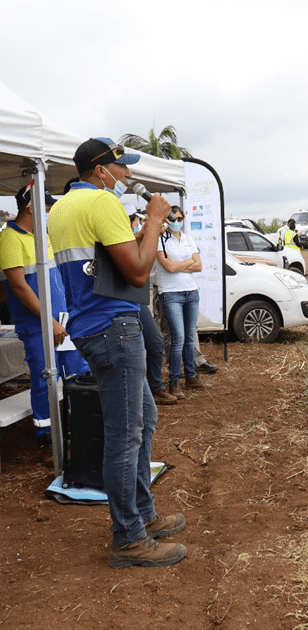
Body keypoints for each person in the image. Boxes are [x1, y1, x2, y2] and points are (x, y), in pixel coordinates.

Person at [48, 137, 186, 569]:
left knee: (143, 419)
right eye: (121, 168)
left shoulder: (61, 208)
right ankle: (128, 538)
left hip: (91, 326)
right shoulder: (102, 203)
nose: (126, 175)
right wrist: (153, 222)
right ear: (100, 170)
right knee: (125, 437)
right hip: (115, 326)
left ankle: (143, 516)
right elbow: (139, 270)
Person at [0, 185, 90, 446]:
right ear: (31, 207)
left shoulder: (43, 236)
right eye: (47, 209)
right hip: (38, 325)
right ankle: (46, 436)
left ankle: (81, 428)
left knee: (76, 373)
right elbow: (18, 286)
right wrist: (48, 321)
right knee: (45, 378)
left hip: (62, 321)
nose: (50, 213)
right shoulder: (10, 238)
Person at [155, 206, 208, 399]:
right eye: (172, 218)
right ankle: (174, 381)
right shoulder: (160, 239)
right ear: (166, 220)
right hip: (170, 293)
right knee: (177, 338)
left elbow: (199, 265)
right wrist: (187, 262)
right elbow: (167, 267)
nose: (176, 221)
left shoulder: (188, 238)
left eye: (179, 217)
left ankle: (191, 377)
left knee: (188, 338)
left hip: (191, 292)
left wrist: (179, 265)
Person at [129, 212, 177, 406]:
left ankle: (155, 388)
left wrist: (150, 232)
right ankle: (144, 391)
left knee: (155, 343)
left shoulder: (131, 238)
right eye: (137, 221)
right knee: (135, 351)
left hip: (134, 300)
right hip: (122, 301)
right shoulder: (119, 240)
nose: (139, 224)